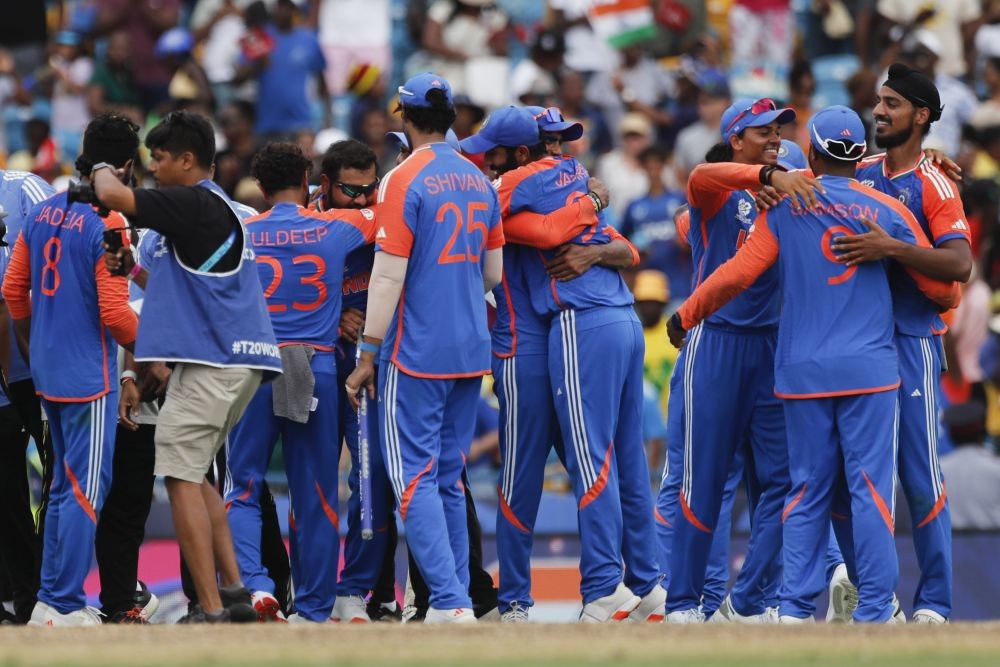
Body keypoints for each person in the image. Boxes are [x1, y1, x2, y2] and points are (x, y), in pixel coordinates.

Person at [668, 105, 959, 623]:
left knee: (805, 491)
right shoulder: (885, 210)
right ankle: (875, 610)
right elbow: (944, 290)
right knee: (871, 492)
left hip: (800, 372)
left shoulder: (784, 206)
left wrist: (687, 313)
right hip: (870, 372)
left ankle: (796, 610)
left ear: (815, 153)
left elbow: (737, 273)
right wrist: (892, 257)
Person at [462, 105, 660, 623]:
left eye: (490, 153)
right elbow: (560, 233)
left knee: (569, 468)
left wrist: (589, 218)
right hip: (526, 347)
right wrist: (590, 199)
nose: (483, 161)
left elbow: (622, 249)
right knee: (579, 467)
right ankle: (530, 600)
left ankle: (591, 591)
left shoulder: (534, 187)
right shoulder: (546, 189)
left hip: (561, 337)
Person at [92, 110, 282, 623]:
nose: (153, 168)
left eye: (158, 158)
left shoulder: (192, 201)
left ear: (188, 160)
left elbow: (112, 196)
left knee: (177, 477)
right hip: (237, 361)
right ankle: (235, 593)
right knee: (198, 478)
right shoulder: (209, 209)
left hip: (214, 363)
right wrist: (131, 269)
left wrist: (99, 169)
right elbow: (180, 290)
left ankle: (213, 610)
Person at [345, 72, 504, 624]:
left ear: (404, 118)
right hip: (469, 348)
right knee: (447, 476)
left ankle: (452, 601)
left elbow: (386, 278)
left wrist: (367, 353)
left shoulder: (400, 180)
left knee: (414, 478)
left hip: (416, 351)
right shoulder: (479, 180)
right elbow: (493, 271)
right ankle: (455, 594)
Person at [831, 63, 974, 625]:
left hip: (911, 339)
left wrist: (892, 248)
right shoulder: (861, 171)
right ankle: (875, 595)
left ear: (919, 115)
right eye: (878, 102)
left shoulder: (935, 183)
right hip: (855, 342)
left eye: (891, 104)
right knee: (850, 474)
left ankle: (934, 605)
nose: (879, 111)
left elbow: (959, 263)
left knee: (918, 473)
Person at [659, 98, 809, 624]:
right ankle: (683, 604)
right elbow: (702, 174)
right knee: (702, 480)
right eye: (763, 131)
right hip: (715, 341)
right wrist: (766, 174)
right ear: (736, 139)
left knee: (784, 484)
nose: (775, 138)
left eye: (779, 131)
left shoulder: (785, 185)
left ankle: (748, 602)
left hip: (772, 345)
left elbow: (842, 174)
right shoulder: (713, 189)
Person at [225, 142, 378, 623]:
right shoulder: (336, 228)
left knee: (242, 485)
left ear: (261, 187)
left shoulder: (242, 233)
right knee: (315, 493)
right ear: (309, 179)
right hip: (315, 365)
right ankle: (314, 607)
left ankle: (256, 588)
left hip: (254, 364)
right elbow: (385, 212)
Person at [3, 113, 140, 626]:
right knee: (84, 489)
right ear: (126, 165)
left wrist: (33, 343)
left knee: (63, 486)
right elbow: (115, 313)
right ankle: (61, 603)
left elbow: (15, 289)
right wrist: (157, 352)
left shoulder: (43, 213)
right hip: (90, 375)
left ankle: (48, 600)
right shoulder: (111, 221)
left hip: (47, 371)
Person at [311, 138, 399, 623]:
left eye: (371, 190)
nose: (364, 200)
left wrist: (369, 328)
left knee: (372, 478)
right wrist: (334, 314)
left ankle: (358, 590)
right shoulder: (298, 214)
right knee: (313, 481)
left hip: (370, 366)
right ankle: (311, 591)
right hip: (318, 363)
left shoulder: (384, 211)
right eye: (351, 190)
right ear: (324, 185)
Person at [0, 167, 55, 625]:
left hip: (39, 369)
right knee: (8, 488)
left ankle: (53, 592)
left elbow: (62, 258)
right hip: (8, 375)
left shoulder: (25, 188)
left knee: (59, 481)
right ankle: (21, 594)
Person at [621, 147, 690, 303]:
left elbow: (697, 236)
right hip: (645, 286)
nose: (653, 169)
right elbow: (622, 241)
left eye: (657, 163)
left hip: (678, 282)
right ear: (643, 168)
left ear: (664, 166)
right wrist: (635, 251)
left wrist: (685, 243)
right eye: (649, 164)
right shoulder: (634, 206)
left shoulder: (680, 199)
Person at [939, 402, 1000, 530]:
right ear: (982, 431)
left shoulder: (937, 470)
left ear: (951, 435)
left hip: (951, 547)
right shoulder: (996, 468)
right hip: (994, 546)